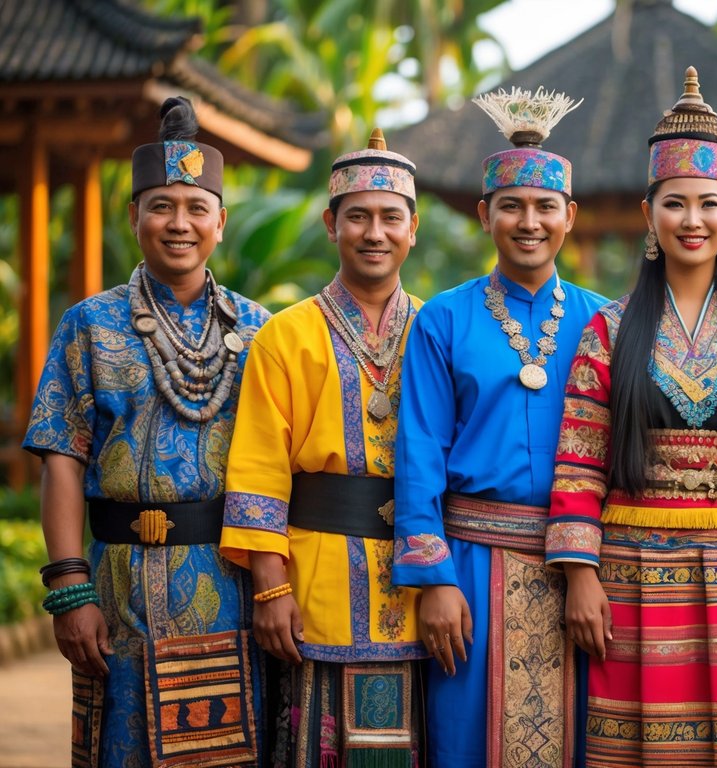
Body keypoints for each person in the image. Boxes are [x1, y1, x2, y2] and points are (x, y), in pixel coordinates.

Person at [545, 67, 717, 767]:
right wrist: (580, 573)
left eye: (708, 203)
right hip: (632, 575)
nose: (691, 220)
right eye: (675, 204)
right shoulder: (608, 330)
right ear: (649, 215)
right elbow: (579, 456)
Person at [23, 96, 269, 767]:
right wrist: (69, 590)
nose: (179, 223)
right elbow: (62, 458)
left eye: (196, 208)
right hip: (116, 585)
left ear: (220, 220)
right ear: (134, 216)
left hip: (229, 585)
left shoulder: (260, 331)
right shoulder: (89, 326)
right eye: (161, 206)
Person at [391, 86, 605, 768]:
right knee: (465, 742)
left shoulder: (606, 323)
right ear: (484, 215)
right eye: (511, 206)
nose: (529, 221)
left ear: (569, 216)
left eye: (545, 207)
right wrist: (435, 581)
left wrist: (596, 567)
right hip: (473, 567)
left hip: (581, 568)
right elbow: (419, 450)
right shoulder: (443, 321)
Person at [220, 130, 427, 767]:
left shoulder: (436, 329)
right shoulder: (286, 335)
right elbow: (258, 468)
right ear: (330, 224)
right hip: (316, 584)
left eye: (391, 218)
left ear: (412, 229)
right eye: (357, 217)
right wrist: (271, 591)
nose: (374, 233)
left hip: (420, 587)